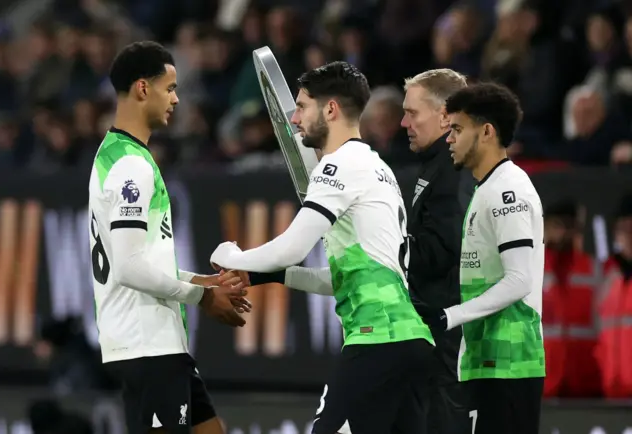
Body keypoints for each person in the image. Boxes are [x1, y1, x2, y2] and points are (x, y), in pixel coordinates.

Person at [210, 61, 435, 434]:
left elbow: (292, 248)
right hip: (410, 344)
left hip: (377, 341)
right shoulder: (377, 167)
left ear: (330, 109)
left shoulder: (339, 166)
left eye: (302, 106)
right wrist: (269, 275)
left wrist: (232, 256)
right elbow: (338, 278)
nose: (294, 119)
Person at [88, 41, 251, 434]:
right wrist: (203, 296)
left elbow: (141, 260)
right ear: (144, 88)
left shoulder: (117, 155)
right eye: (171, 88)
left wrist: (201, 280)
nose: (176, 99)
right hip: (147, 344)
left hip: (157, 342)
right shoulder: (132, 167)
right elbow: (128, 268)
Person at [419, 82, 545, 434]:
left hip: (510, 363)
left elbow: (520, 279)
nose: (449, 139)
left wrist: (449, 316)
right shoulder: (485, 188)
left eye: (457, 129)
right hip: (484, 360)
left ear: (487, 131)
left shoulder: (508, 190)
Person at [401, 69, 474, 434]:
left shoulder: (453, 168)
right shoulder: (437, 164)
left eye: (412, 113)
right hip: (435, 329)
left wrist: (389, 247)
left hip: (447, 331)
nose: (403, 122)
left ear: (445, 114)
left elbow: (445, 249)